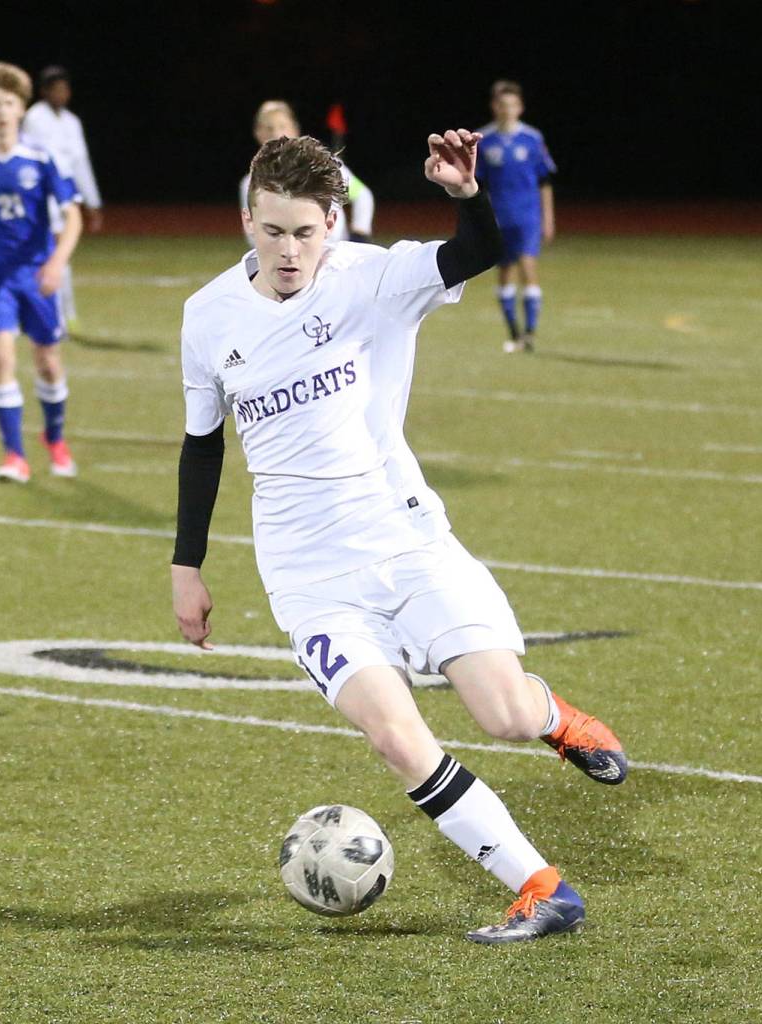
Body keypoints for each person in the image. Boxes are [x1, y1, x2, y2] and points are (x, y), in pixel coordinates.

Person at [171, 130, 627, 943]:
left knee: (503, 716)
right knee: (393, 734)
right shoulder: (206, 317)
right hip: (306, 574)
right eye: (271, 230)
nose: (287, 251)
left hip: (404, 541)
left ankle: (550, 715)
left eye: (305, 232)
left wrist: (463, 195)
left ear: (333, 223)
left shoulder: (373, 277)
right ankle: (541, 887)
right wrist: (187, 566)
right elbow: (203, 442)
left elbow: (482, 248)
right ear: (247, 219)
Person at [0, 61, 82, 482]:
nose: (2, 111)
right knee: (1, 358)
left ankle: (55, 440)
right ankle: (14, 456)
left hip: (37, 274)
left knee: (47, 363)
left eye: (9, 102)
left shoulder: (41, 158)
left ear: (21, 108)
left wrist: (57, 263)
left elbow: (72, 215)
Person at [475, 80, 556, 353]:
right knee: (505, 272)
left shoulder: (532, 138)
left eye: (511, 104)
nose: (507, 109)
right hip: (499, 216)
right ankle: (514, 333)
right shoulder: (483, 140)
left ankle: (530, 333)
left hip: (528, 216)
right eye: (502, 104)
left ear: (519, 107)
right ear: (494, 107)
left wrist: (548, 219)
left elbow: (545, 181)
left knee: (527, 266)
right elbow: (476, 185)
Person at [23, 65, 103, 335]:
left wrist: (92, 200)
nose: (62, 93)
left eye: (65, 88)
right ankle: (58, 317)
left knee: (58, 256)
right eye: (56, 88)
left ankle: (63, 316)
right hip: (43, 193)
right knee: (55, 255)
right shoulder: (34, 118)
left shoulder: (72, 121)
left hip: (65, 194)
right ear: (44, 91)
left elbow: (80, 162)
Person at [238, 100, 374, 245]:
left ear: (295, 129)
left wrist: (359, 234)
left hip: (334, 256)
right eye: (269, 128)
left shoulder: (324, 166)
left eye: (282, 126)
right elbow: (253, 229)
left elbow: (362, 196)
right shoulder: (250, 182)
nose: (276, 134)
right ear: (258, 133)